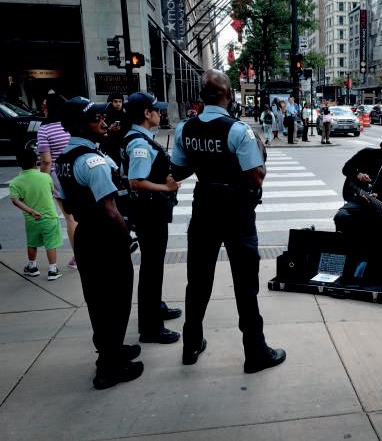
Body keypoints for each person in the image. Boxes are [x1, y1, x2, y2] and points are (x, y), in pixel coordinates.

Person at [170, 69, 286, 372]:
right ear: (229, 95)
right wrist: (259, 152)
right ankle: (255, 351)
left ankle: (191, 344)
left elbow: (178, 171)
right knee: (245, 283)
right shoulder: (239, 131)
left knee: (198, 281)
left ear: (201, 96)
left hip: (204, 208)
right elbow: (256, 177)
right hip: (237, 211)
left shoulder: (184, 129)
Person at [55, 96, 142, 390]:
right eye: (96, 119)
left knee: (98, 301)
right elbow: (110, 210)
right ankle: (109, 368)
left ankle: (111, 350)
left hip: (86, 236)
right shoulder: (92, 162)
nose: (103, 123)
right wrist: (126, 235)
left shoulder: (64, 160)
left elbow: (67, 206)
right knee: (116, 300)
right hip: (106, 238)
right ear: (80, 124)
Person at [122, 91, 182, 345]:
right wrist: (166, 188)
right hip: (149, 212)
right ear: (147, 114)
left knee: (153, 266)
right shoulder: (139, 144)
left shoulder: (139, 138)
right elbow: (136, 181)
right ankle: (150, 328)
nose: (160, 113)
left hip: (150, 211)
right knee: (152, 268)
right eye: (157, 109)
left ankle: (155, 307)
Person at [334, 129, 382, 236]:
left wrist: (379, 195)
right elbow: (346, 168)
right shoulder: (367, 153)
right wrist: (358, 175)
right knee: (341, 216)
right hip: (358, 200)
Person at [37, 93, 78, 269]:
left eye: (44, 106)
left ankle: (79, 257)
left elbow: (46, 161)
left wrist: (43, 181)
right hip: (78, 171)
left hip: (59, 176)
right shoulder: (71, 124)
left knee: (70, 218)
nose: (42, 109)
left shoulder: (44, 129)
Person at [9, 148, 63, 281]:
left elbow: (15, 200)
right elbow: (51, 191)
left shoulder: (15, 182)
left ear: (19, 163)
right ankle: (53, 270)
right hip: (50, 217)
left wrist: (31, 211)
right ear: (36, 162)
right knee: (51, 244)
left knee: (32, 243)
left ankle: (32, 267)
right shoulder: (46, 177)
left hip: (31, 219)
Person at [100, 93, 128, 167]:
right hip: (109, 147)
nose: (118, 104)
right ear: (111, 102)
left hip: (123, 145)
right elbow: (99, 132)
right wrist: (109, 129)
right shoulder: (104, 114)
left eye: (120, 101)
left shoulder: (126, 114)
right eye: (115, 101)